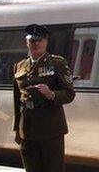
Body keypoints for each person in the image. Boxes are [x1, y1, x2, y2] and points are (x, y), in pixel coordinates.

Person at [12, 24, 76, 172]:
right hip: (27, 129)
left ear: (46, 42)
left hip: (51, 129)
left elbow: (69, 93)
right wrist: (17, 128)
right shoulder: (19, 66)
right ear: (26, 42)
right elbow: (17, 100)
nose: (36, 43)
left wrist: (52, 94)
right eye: (32, 40)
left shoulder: (57, 63)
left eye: (40, 40)